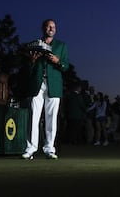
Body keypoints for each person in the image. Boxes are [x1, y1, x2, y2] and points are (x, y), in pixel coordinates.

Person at [22, 19, 69, 160]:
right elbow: (26, 68)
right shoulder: (34, 44)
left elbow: (66, 66)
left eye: (53, 26)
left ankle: (49, 149)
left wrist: (58, 61)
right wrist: (32, 60)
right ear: (43, 28)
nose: (51, 28)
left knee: (51, 118)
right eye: (48, 26)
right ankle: (30, 149)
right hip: (37, 84)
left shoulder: (61, 45)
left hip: (54, 85)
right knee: (33, 118)